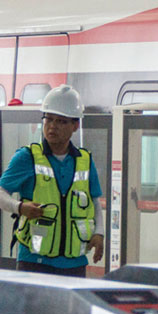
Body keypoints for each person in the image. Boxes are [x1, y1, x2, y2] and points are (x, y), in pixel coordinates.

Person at [0, 85, 104, 277]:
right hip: (34, 261)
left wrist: (99, 234)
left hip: (74, 263)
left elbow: (95, 202)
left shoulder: (85, 161)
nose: (52, 126)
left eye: (61, 121)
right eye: (48, 119)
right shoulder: (27, 157)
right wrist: (19, 207)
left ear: (75, 126)